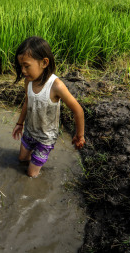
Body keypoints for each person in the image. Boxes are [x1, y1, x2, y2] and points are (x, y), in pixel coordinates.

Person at [12, 36, 85, 178]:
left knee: (31, 175)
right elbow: (27, 102)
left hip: (45, 138)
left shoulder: (56, 86)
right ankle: (32, 160)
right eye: (21, 66)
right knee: (21, 160)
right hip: (30, 131)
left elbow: (78, 110)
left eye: (26, 66)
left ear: (44, 62)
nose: (23, 71)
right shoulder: (29, 81)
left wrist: (80, 135)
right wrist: (19, 123)